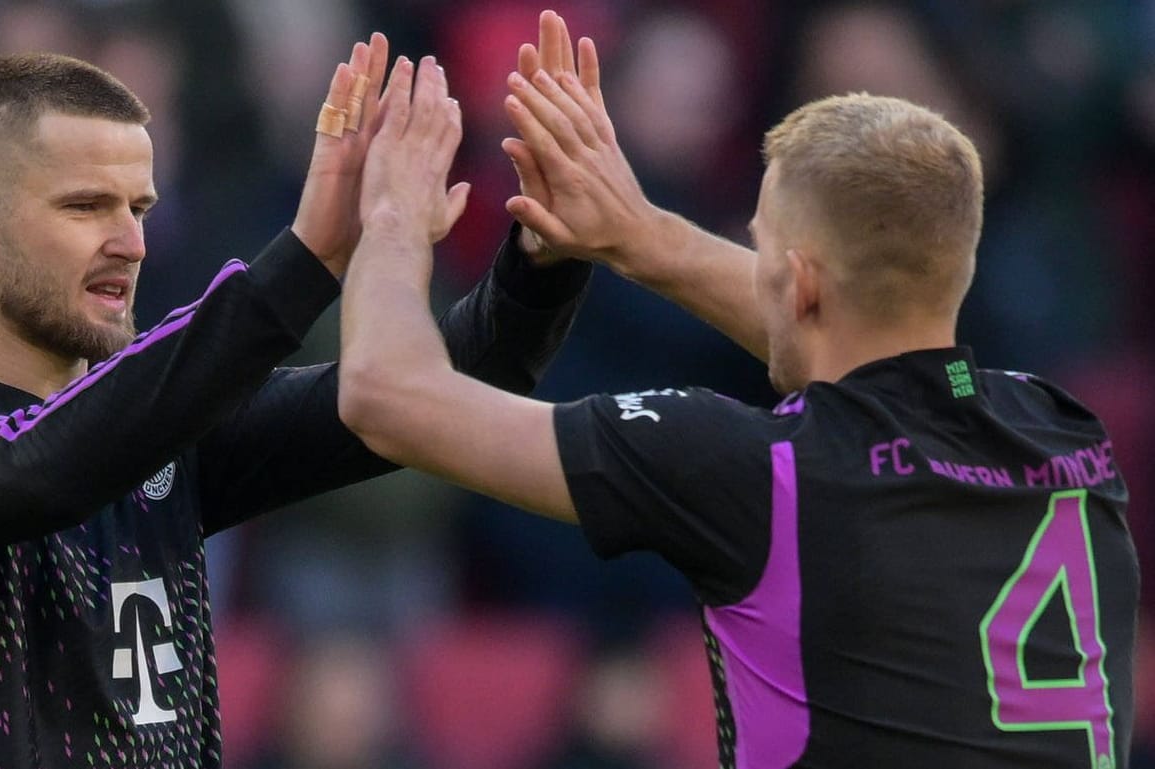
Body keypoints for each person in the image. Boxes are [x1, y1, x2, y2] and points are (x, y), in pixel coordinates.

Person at [338, 11, 1138, 769]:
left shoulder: (758, 470)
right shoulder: (1067, 434)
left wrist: (391, 217)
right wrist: (638, 234)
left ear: (797, 281)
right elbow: (858, 339)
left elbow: (386, 394)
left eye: (758, 249)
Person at [0, 40, 591, 769]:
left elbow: (441, 391)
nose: (131, 242)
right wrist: (306, 260)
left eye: (138, 208)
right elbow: (42, 469)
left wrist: (543, 255)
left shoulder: (156, 436)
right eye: (84, 206)